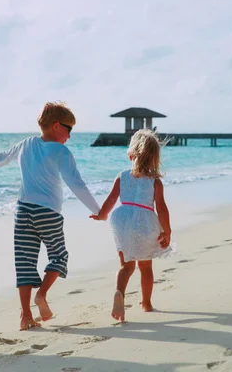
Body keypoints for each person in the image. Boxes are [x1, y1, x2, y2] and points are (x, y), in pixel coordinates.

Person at [0, 101, 101, 330]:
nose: (70, 136)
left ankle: (25, 317)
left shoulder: (27, 144)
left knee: (24, 263)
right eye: (68, 129)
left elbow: (1, 158)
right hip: (48, 213)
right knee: (59, 256)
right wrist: (97, 211)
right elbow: (77, 184)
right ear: (56, 126)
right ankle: (41, 295)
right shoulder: (61, 151)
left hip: (22, 212)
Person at [91, 129, 174, 322]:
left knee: (126, 266)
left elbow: (111, 200)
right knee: (145, 266)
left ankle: (119, 293)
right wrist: (167, 231)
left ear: (131, 155)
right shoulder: (155, 182)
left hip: (122, 219)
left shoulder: (122, 176)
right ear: (154, 158)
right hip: (145, 222)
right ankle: (146, 303)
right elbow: (161, 209)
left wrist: (102, 215)